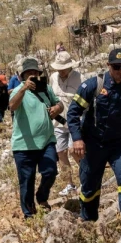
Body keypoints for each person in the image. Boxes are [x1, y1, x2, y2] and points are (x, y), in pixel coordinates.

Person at [68, 48, 121, 234]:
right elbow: (73, 112)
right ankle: (88, 220)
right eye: (116, 66)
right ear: (108, 66)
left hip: (119, 144)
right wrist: (78, 139)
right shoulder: (93, 85)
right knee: (89, 184)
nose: (120, 71)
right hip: (93, 143)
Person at [9, 57, 64, 218]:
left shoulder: (46, 88)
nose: (32, 75)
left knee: (50, 171)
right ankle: (29, 213)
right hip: (23, 145)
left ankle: (42, 197)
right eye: (29, 73)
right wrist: (23, 89)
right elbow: (12, 106)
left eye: (35, 72)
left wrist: (57, 108)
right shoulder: (18, 90)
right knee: (26, 181)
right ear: (23, 76)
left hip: (47, 141)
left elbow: (59, 103)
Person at [48, 51, 83, 198]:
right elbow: (51, 97)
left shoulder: (79, 78)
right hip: (58, 122)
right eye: (58, 68)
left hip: (76, 121)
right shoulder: (53, 78)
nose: (61, 71)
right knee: (60, 152)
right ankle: (69, 184)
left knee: (74, 150)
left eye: (63, 68)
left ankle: (87, 178)